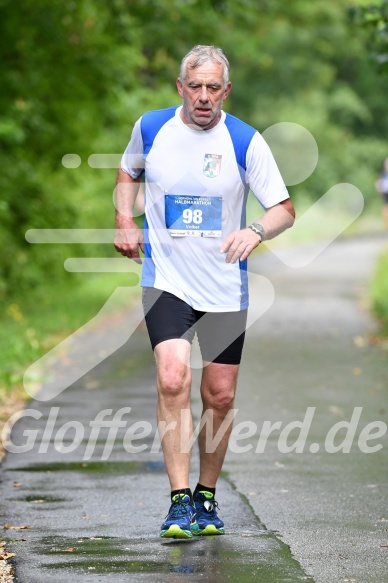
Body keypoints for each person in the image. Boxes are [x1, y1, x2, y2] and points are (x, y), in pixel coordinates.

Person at [114, 45, 295, 538]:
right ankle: (178, 501)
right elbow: (129, 171)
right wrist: (124, 217)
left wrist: (255, 230)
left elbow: (283, 207)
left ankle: (207, 496)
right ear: (180, 87)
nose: (203, 96)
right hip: (167, 280)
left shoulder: (244, 140)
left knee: (219, 393)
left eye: (213, 87)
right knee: (172, 381)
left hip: (222, 286)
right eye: (195, 86)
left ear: (226, 91)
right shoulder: (151, 128)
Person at [375, 157, 388, 229]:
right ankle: (386, 224)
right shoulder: (383, 173)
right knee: (385, 208)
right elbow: (378, 182)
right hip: (385, 193)